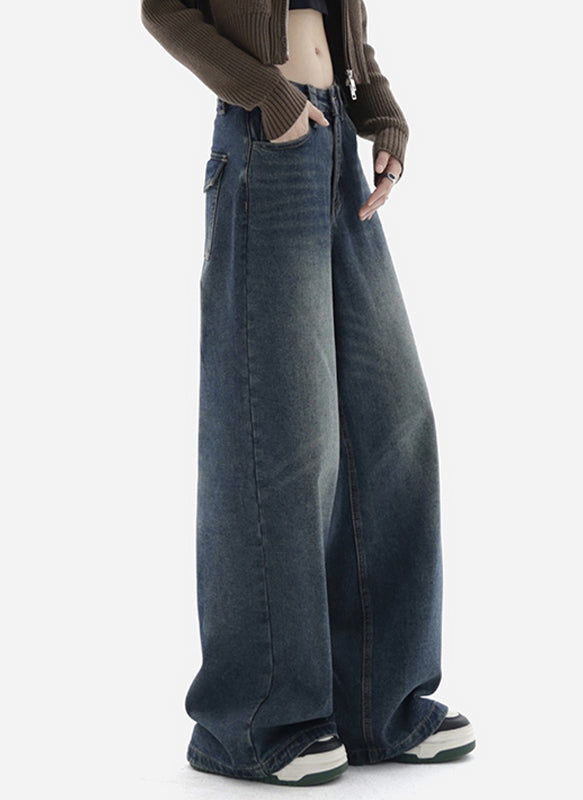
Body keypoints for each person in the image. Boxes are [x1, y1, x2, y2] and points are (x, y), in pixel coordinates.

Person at [141, 0, 476, 786]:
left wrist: (378, 108)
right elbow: (164, 9)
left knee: (392, 423)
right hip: (267, 142)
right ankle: (254, 721)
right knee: (282, 435)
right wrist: (268, 95)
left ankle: (376, 706)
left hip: (332, 145)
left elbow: (341, 25)